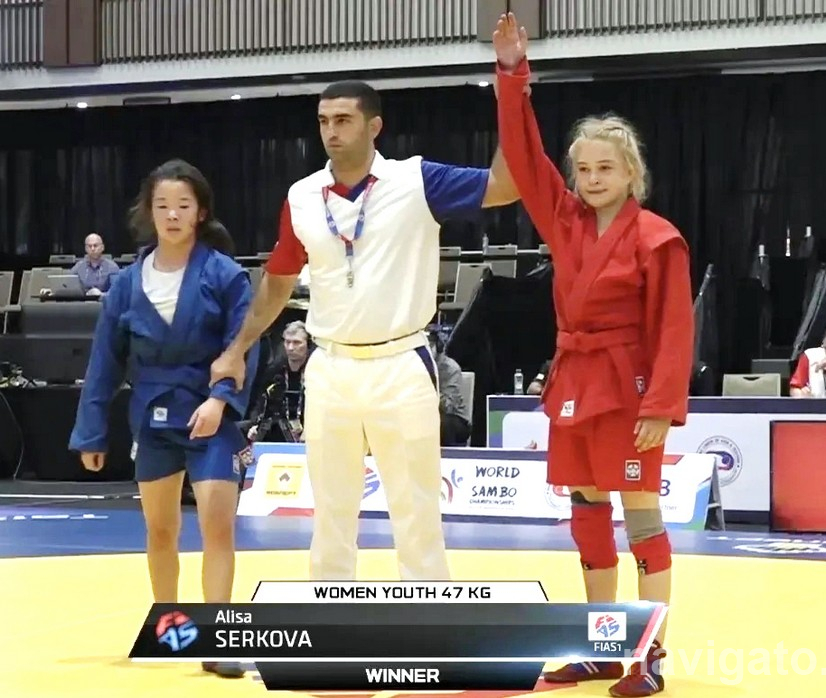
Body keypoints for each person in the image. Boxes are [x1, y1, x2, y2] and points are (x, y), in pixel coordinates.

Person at [209, 80, 518, 582]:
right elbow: (279, 279)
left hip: (402, 362)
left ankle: (428, 612)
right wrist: (237, 348)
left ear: (374, 126)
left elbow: (506, 185)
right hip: (330, 365)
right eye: (323, 121)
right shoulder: (302, 196)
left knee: (416, 510)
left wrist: (512, 96)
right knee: (329, 510)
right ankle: (331, 612)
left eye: (343, 120)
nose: (331, 131)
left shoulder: (416, 180)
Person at [492, 14, 694, 696]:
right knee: (586, 514)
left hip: (628, 392)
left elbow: (674, 329)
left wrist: (661, 407)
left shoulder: (658, 238)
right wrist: (513, 76)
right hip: (576, 385)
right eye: (582, 169)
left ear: (632, 172)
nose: (591, 178)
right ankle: (603, 648)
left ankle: (651, 655)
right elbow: (525, 158)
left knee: (642, 517)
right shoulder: (564, 221)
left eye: (605, 167)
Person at [68, 159, 259, 680]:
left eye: (183, 205)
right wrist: (91, 432)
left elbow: (244, 344)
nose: (172, 215)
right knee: (160, 530)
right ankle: (170, 629)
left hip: (210, 414)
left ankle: (218, 639)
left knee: (217, 525)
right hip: (153, 418)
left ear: (200, 212)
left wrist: (220, 399)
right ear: (148, 213)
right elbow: (104, 361)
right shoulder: (127, 284)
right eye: (162, 205)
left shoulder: (224, 274)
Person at [248, 320, 311, 442]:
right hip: (279, 427)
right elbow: (261, 401)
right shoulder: (274, 370)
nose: (291, 348)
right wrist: (256, 424)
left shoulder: (316, 371)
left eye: (297, 343)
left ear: (308, 344)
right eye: (287, 342)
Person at [427, 329, 472, 446]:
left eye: (429, 346)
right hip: (426, 414)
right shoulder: (414, 367)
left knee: (442, 423)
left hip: (455, 418)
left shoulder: (451, 369)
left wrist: (428, 385)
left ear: (438, 347)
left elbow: (448, 406)